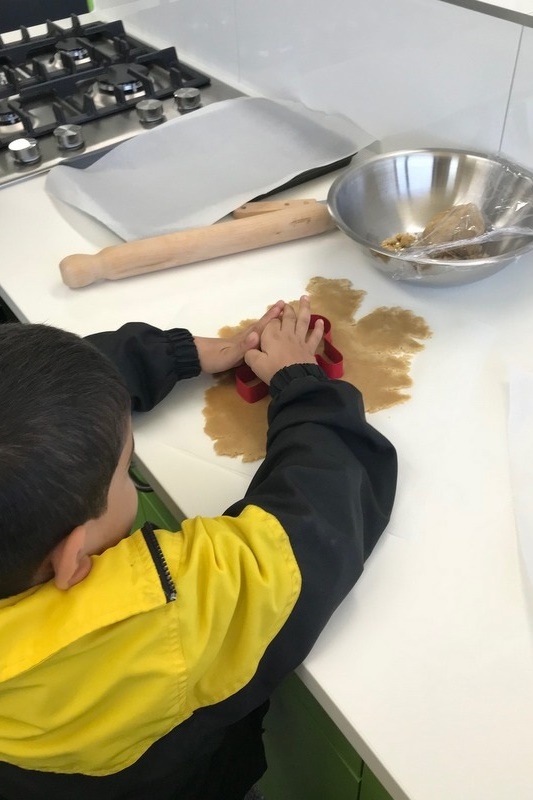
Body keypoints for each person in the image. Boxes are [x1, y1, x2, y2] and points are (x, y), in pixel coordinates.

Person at [0, 296, 397, 800]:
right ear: (72, 556)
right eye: (125, 469)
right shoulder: (158, 619)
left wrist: (178, 354)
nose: (127, 470)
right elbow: (321, 518)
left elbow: (18, 402)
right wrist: (299, 382)